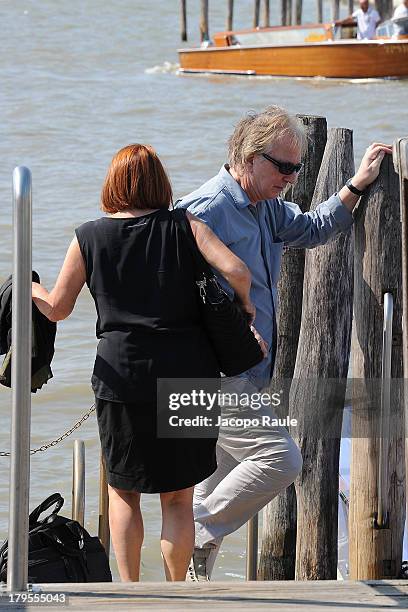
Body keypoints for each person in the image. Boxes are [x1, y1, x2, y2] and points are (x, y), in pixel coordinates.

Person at [176, 105, 391, 580]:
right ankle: (199, 534)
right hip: (214, 377)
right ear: (250, 158)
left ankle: (193, 591)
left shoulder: (267, 207)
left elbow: (313, 229)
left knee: (212, 486)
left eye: (297, 167)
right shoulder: (204, 210)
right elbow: (168, 291)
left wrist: (355, 185)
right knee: (281, 459)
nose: (292, 178)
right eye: (284, 167)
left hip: (251, 373)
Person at [31, 143, 259, 582]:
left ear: (112, 184)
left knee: (123, 493)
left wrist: (30, 289)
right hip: (187, 374)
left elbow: (57, 308)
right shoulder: (183, 225)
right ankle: (177, 594)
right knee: (177, 499)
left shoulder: (88, 236)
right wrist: (245, 307)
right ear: (159, 183)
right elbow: (237, 272)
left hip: (123, 377)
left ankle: (131, 591)